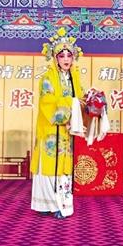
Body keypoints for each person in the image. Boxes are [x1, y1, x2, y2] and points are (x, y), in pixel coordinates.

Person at [30, 28, 85, 219]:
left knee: (63, 169)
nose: (66, 59)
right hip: (50, 130)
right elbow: (47, 102)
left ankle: (61, 206)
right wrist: (70, 104)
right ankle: (46, 204)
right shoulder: (48, 78)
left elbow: (80, 99)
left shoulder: (74, 78)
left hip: (67, 131)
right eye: (62, 56)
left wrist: (86, 104)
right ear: (55, 58)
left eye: (69, 55)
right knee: (48, 167)